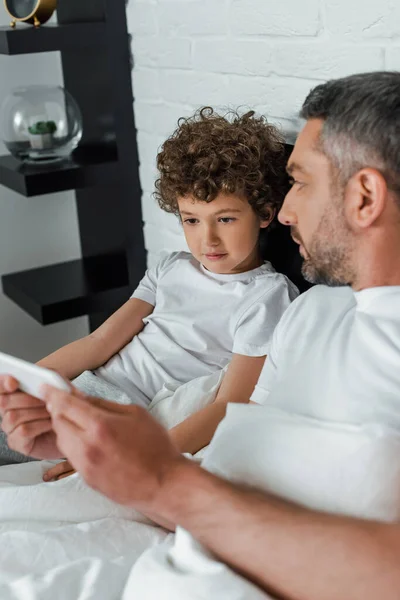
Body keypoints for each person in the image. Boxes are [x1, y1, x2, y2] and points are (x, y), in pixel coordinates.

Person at [2, 71, 400, 599]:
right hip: (164, 559)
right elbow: (225, 464)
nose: (284, 211)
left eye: (300, 182)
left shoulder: (278, 303)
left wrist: (163, 479)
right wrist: (101, 453)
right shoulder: (312, 315)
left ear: (365, 196)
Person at [1, 107, 298, 479]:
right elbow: (99, 341)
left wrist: (142, 459)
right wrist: (25, 381)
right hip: (86, 385)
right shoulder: (170, 267)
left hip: (127, 411)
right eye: (191, 220)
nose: (208, 239)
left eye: (225, 219)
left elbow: (231, 404)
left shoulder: (266, 297)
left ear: (265, 213)